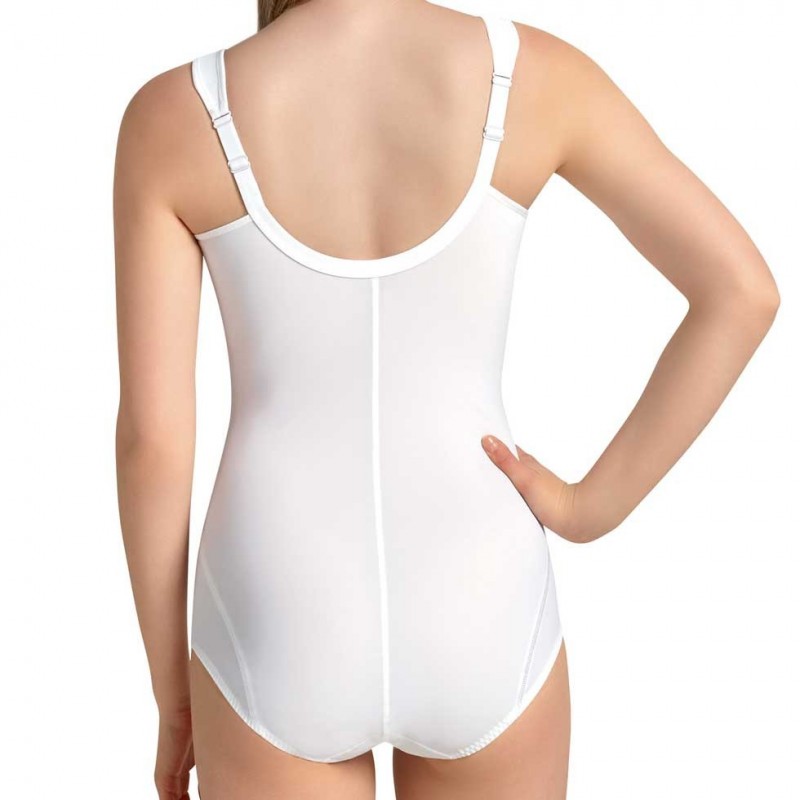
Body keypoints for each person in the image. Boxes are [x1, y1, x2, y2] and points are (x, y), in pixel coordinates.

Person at [113, 1, 780, 798]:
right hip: (480, 591)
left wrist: (175, 698)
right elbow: (742, 291)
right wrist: (588, 507)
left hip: (276, 604)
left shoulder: (176, 115)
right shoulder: (534, 75)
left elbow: (153, 443)